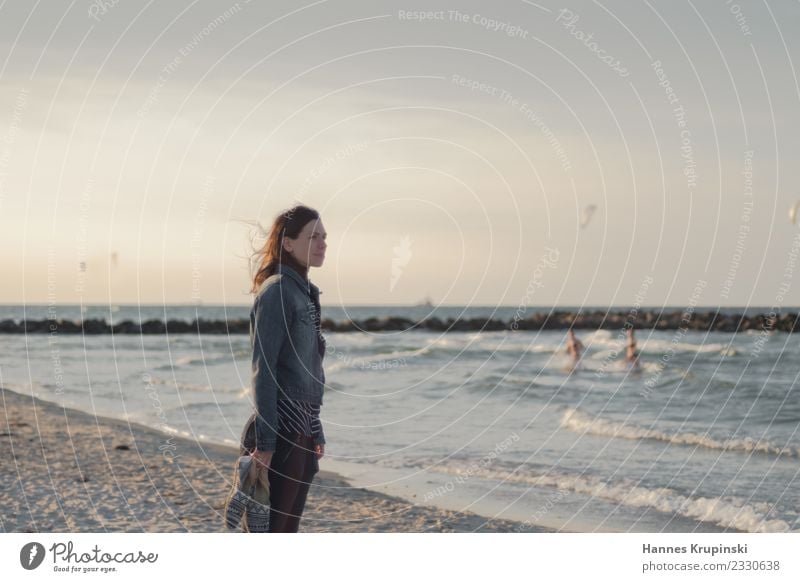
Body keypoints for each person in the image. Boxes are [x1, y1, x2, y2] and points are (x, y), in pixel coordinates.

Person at [241, 204, 328, 532]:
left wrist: (315, 427)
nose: (322, 244)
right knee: (273, 532)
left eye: (324, 237)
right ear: (288, 243)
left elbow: (308, 369)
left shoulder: (304, 294)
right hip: (283, 432)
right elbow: (264, 369)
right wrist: (266, 442)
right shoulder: (277, 291)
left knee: (286, 531)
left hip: (303, 429)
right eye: (313, 237)